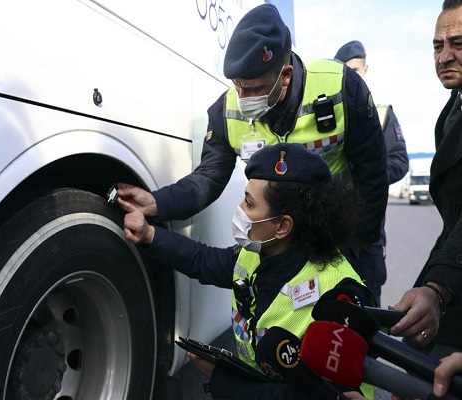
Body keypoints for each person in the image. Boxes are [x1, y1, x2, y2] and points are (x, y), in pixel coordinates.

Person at [116, 4, 389, 282]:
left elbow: (373, 176)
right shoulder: (225, 111)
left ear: (285, 76)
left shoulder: (342, 88)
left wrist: (355, 247)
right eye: (238, 85)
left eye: (255, 89)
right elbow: (207, 180)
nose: (243, 97)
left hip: (345, 236)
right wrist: (156, 202)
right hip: (281, 241)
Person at [120, 142, 375, 400]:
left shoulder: (341, 297)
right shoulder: (259, 254)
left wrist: (223, 378)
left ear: (282, 226)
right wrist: (149, 234)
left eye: (249, 203)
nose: (240, 209)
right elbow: (203, 261)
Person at [389, 0, 462, 359]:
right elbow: (452, 223)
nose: (444, 56)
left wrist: (436, 288)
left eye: (458, 44)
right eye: (438, 45)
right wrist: (422, 289)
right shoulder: (450, 111)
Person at [333, 40, 410, 306]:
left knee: (368, 306)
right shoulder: (326, 110)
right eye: (346, 70)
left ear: (365, 69)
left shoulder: (382, 110)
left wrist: (369, 176)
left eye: (356, 69)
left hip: (368, 227)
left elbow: (400, 161)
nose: (351, 75)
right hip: (329, 229)